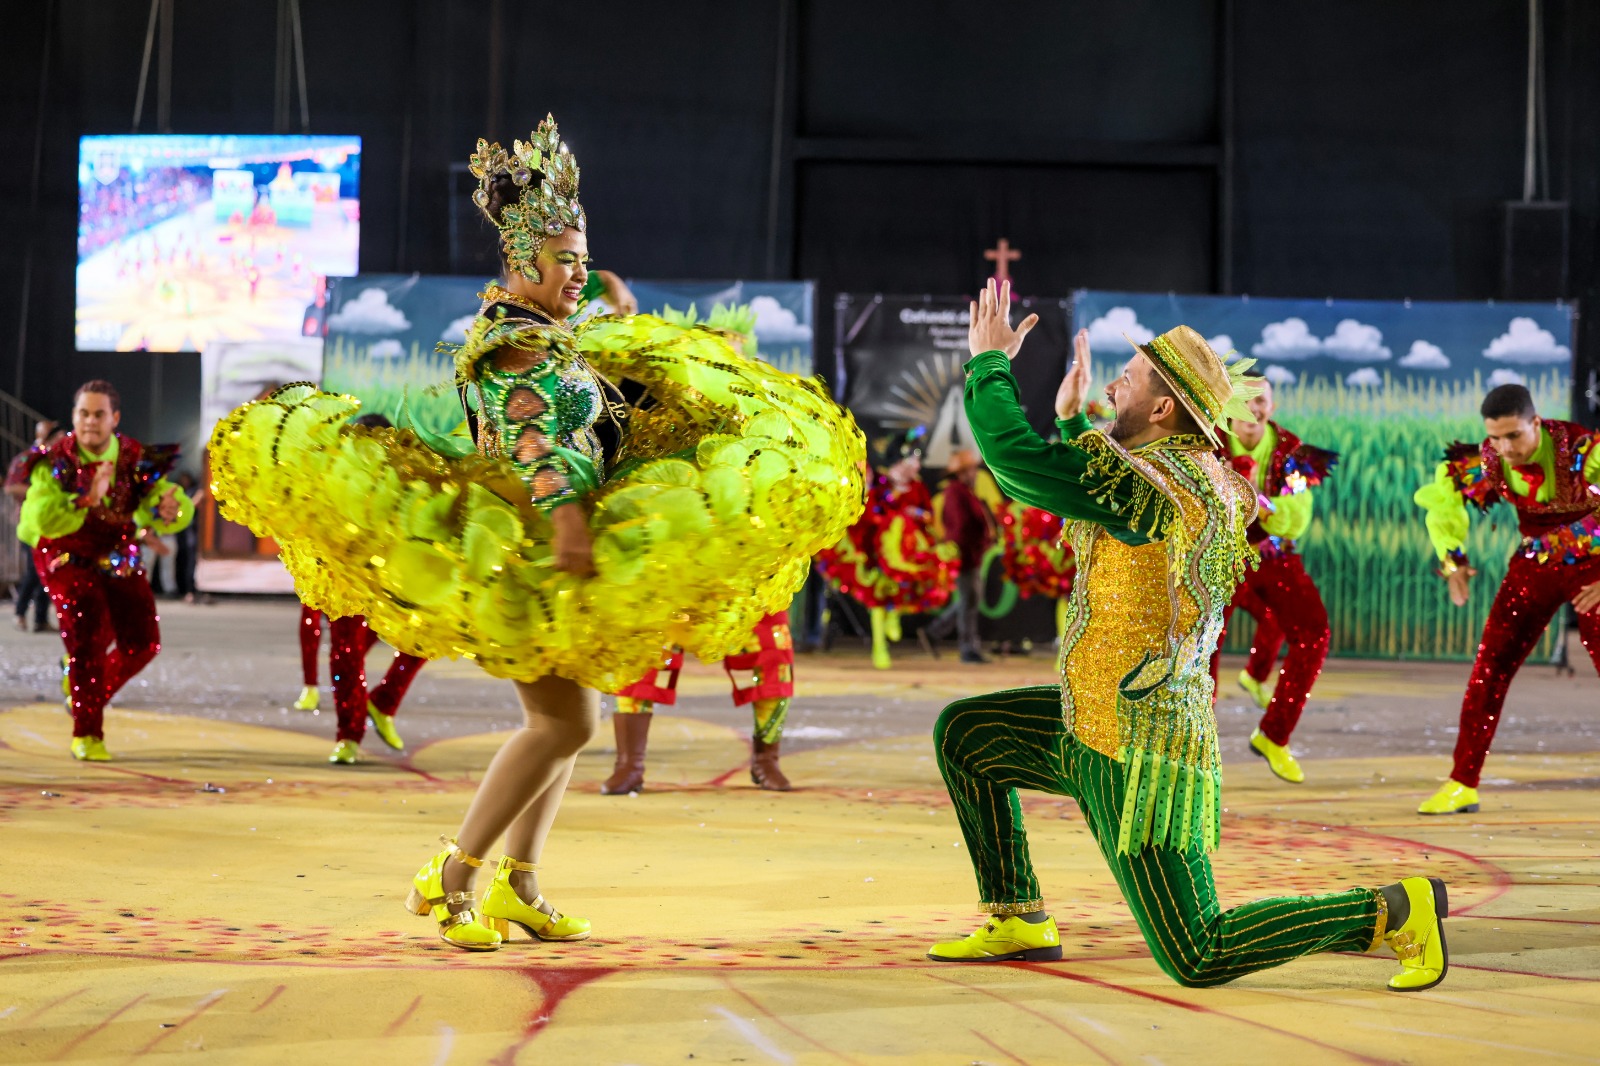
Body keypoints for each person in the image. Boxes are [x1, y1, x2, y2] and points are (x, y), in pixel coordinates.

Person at [209, 115, 863, 951]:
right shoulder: (518, 346)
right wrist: (565, 520)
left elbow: (591, 417)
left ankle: (521, 888)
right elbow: (534, 438)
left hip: (557, 541)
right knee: (562, 725)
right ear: (523, 263)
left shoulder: (552, 334)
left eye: (584, 258)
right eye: (566, 260)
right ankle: (451, 878)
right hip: (527, 548)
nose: (579, 272)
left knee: (576, 720)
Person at [925, 283, 1449, 993]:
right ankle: (1018, 917)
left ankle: (1390, 911)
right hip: (1088, 721)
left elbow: (1018, 464)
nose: (1115, 384)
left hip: (1137, 753)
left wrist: (988, 363)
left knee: (1197, 952)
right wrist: (1076, 412)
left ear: (1163, 408)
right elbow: (1086, 480)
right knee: (967, 734)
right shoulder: (1167, 472)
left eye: (1129, 378)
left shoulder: (1163, 484)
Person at [603, 303, 799, 794]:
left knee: (771, 651)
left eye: (731, 350)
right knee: (641, 649)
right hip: (670, 550)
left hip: (743, 554)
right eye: (712, 347)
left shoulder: (768, 411)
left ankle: (766, 758)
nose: (721, 357)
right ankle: (630, 764)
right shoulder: (650, 400)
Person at [1412, 382, 1600, 815]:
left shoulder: (1584, 453)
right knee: (1489, 669)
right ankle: (1463, 783)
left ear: (1536, 423)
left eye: (1513, 435)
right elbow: (1445, 506)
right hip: (1536, 564)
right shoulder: (1488, 458)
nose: (1503, 446)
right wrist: (1453, 560)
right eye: (1495, 436)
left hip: (1593, 566)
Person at [17, 381, 194, 760]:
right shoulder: (57, 458)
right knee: (87, 635)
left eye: (99, 414)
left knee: (143, 642)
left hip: (117, 550)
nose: (90, 422)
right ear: (73, 416)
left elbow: (162, 498)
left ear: (114, 418)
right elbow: (39, 517)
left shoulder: (134, 456)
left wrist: (171, 508)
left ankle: (84, 692)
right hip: (65, 550)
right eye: (83, 413)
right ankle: (87, 732)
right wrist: (86, 498)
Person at [1207, 372, 1338, 783]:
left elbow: (1296, 518)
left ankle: (1274, 734)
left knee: (1314, 632)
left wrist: (1255, 499)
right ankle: (1195, 743)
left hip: (1271, 555)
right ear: (1226, 405)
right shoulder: (1206, 442)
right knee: (1204, 642)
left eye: (1260, 400)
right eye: (1242, 399)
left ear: (1272, 408)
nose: (1252, 407)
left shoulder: (1293, 452)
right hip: (1216, 556)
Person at [291, 414, 427, 764]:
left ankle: (383, 702)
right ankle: (349, 735)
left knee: (429, 635)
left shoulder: (405, 479)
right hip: (346, 581)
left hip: (393, 580)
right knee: (346, 655)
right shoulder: (335, 477)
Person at [817, 429, 957, 669]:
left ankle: (895, 616)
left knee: (909, 589)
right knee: (878, 600)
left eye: (917, 460)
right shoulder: (882, 485)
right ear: (898, 460)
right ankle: (879, 647)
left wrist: (916, 516)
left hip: (909, 552)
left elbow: (928, 515)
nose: (915, 465)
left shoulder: (917, 488)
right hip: (879, 554)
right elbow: (869, 514)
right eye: (910, 459)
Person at [922, 449, 996, 662]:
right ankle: (967, 648)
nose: (975, 473)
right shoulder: (956, 492)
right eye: (971, 469)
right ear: (962, 472)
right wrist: (977, 543)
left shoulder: (964, 491)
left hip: (971, 553)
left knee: (969, 600)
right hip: (966, 553)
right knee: (969, 602)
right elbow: (960, 527)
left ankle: (934, 632)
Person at [6, 420, 63, 632]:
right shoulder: (28, 459)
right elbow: (11, 488)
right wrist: (38, 494)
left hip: (51, 526)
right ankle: (20, 613)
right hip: (32, 526)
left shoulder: (56, 461)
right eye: (57, 436)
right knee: (34, 571)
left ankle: (40, 618)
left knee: (47, 572)